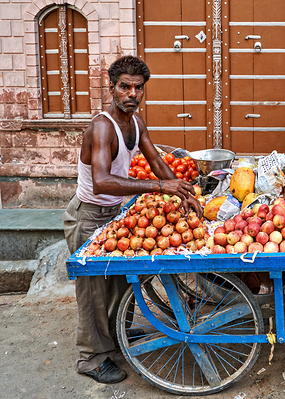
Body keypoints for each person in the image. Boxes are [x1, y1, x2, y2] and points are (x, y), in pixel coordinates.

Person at [62, 56, 201, 384]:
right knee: (93, 291)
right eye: (125, 86)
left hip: (113, 214)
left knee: (118, 283)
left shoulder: (136, 123)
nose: (132, 93)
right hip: (88, 215)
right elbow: (102, 181)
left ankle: (113, 336)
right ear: (112, 87)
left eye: (138, 88)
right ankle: (92, 357)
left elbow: (156, 161)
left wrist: (182, 191)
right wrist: (160, 185)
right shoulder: (101, 126)